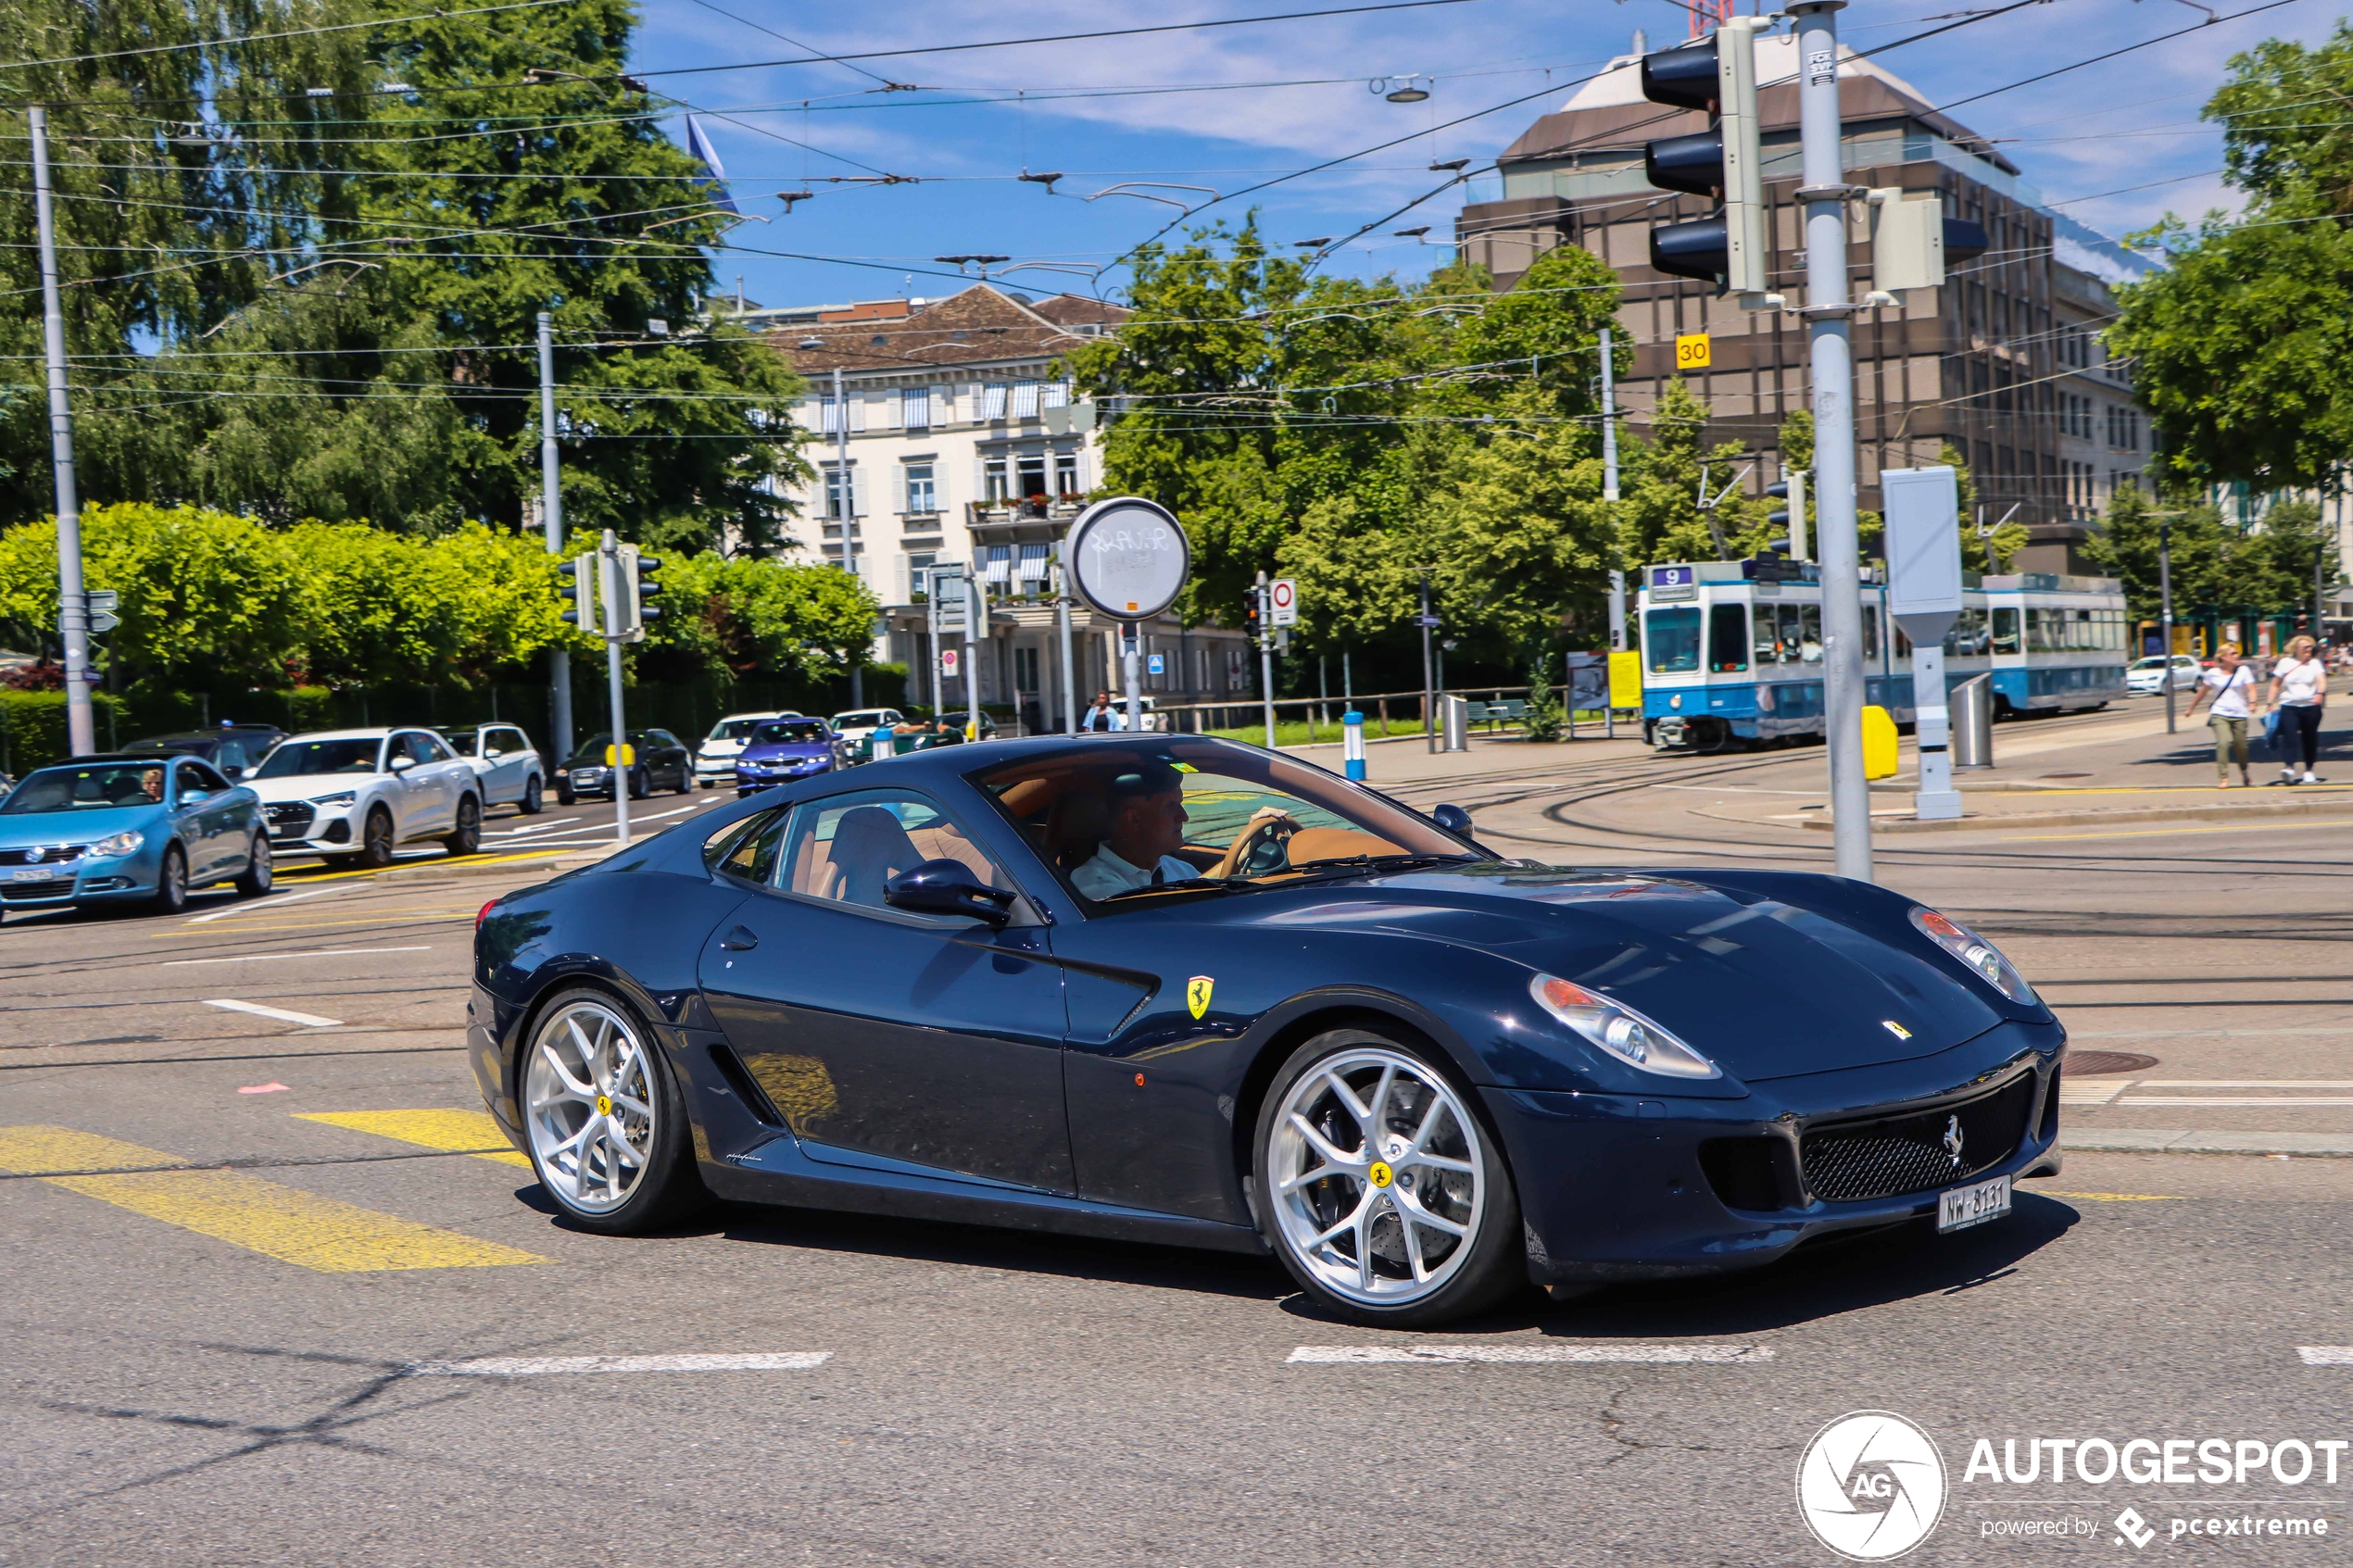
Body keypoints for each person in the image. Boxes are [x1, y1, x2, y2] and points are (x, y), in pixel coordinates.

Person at [1070, 763, 1200, 898]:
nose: (1184, 817)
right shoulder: (1093, 883)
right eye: (1170, 806)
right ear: (1133, 819)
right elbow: (1153, 918)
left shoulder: (1180, 868)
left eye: (1180, 804)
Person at [2184, 642, 2262, 787]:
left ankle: (2244, 772)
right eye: (2232, 654)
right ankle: (2223, 777)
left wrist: (2253, 703)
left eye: (2236, 653)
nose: (2236, 656)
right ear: (2223, 657)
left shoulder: (2243, 670)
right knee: (2223, 743)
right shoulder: (2212, 674)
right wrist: (2191, 708)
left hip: (2239, 714)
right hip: (2219, 713)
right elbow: (2202, 692)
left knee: (2241, 746)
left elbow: (2251, 689)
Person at [2268, 633, 2328, 784]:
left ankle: (2309, 770)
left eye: (2310, 647)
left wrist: (2320, 693)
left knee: (2310, 738)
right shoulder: (2285, 663)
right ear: (2295, 648)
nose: (2309, 649)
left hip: (2310, 706)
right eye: (2305, 647)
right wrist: (2270, 702)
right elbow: (2275, 684)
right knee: (2290, 737)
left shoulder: (2315, 663)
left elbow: (2321, 680)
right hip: (2289, 705)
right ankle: (2289, 767)